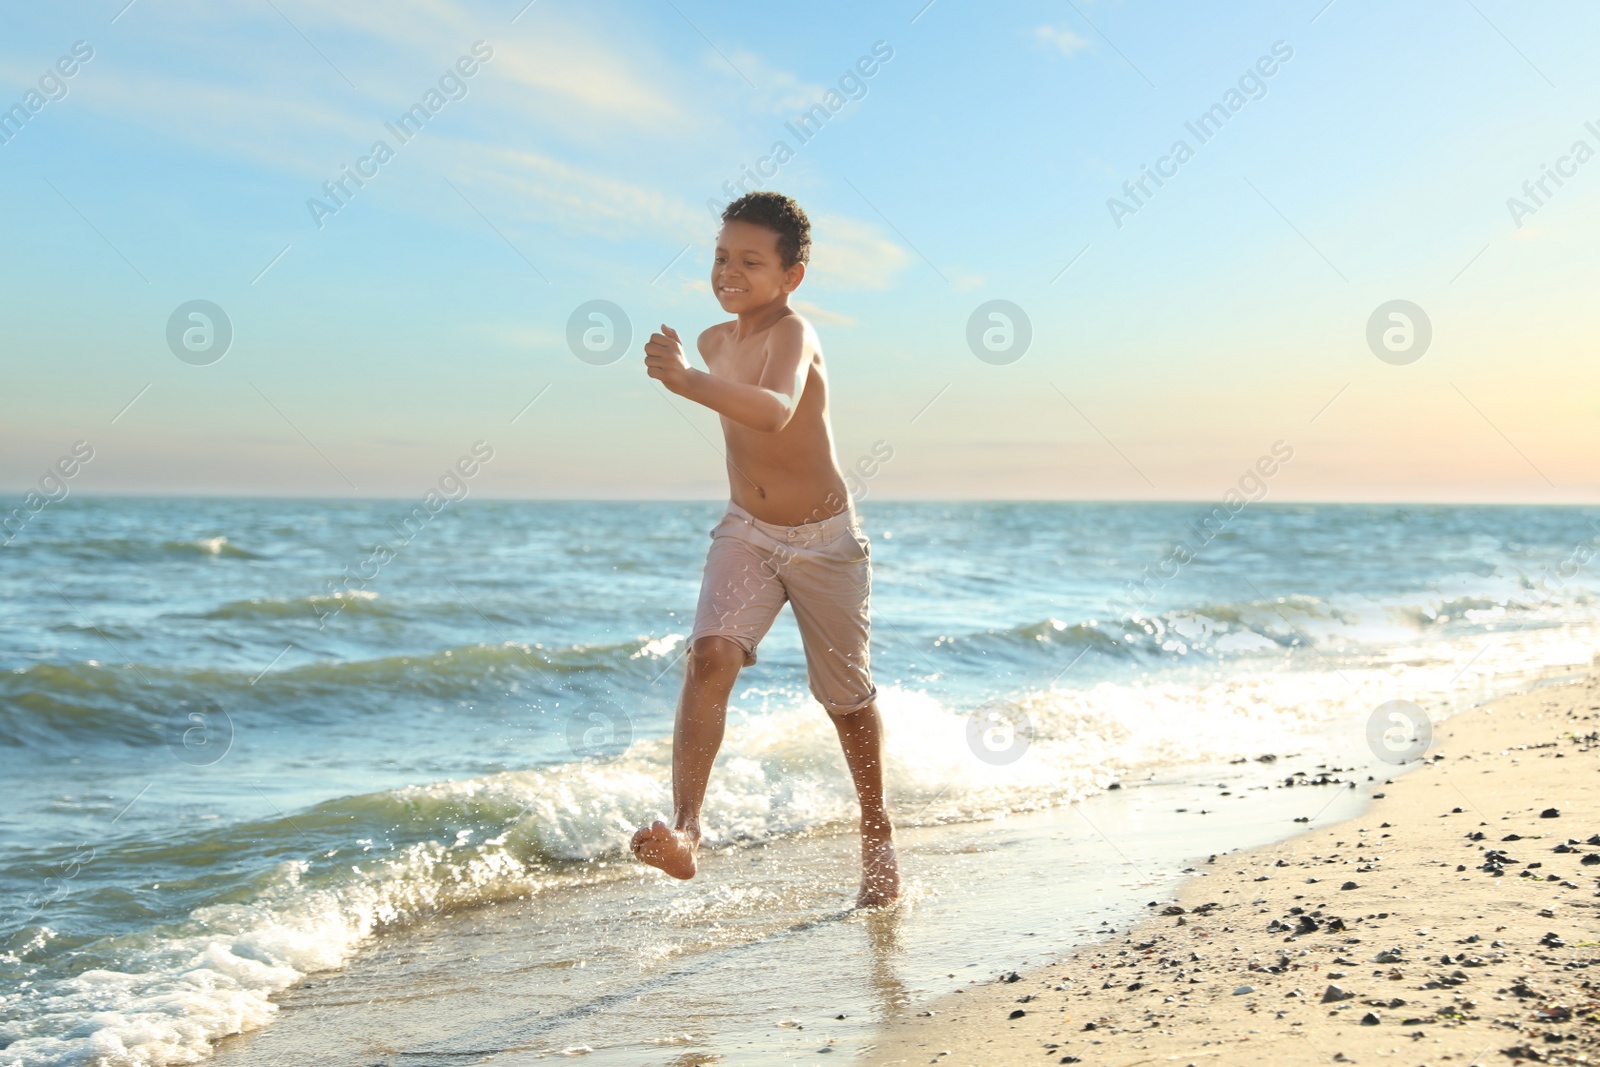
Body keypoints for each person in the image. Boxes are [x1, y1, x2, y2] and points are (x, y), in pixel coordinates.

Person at [629, 191, 900, 907]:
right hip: (746, 528)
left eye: (751, 260)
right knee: (710, 654)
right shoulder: (716, 341)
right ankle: (687, 831)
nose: (730, 271)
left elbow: (777, 411)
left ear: (792, 275)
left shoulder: (794, 333)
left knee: (845, 701)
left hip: (824, 541)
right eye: (722, 256)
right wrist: (694, 371)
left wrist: (687, 381)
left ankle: (877, 832)